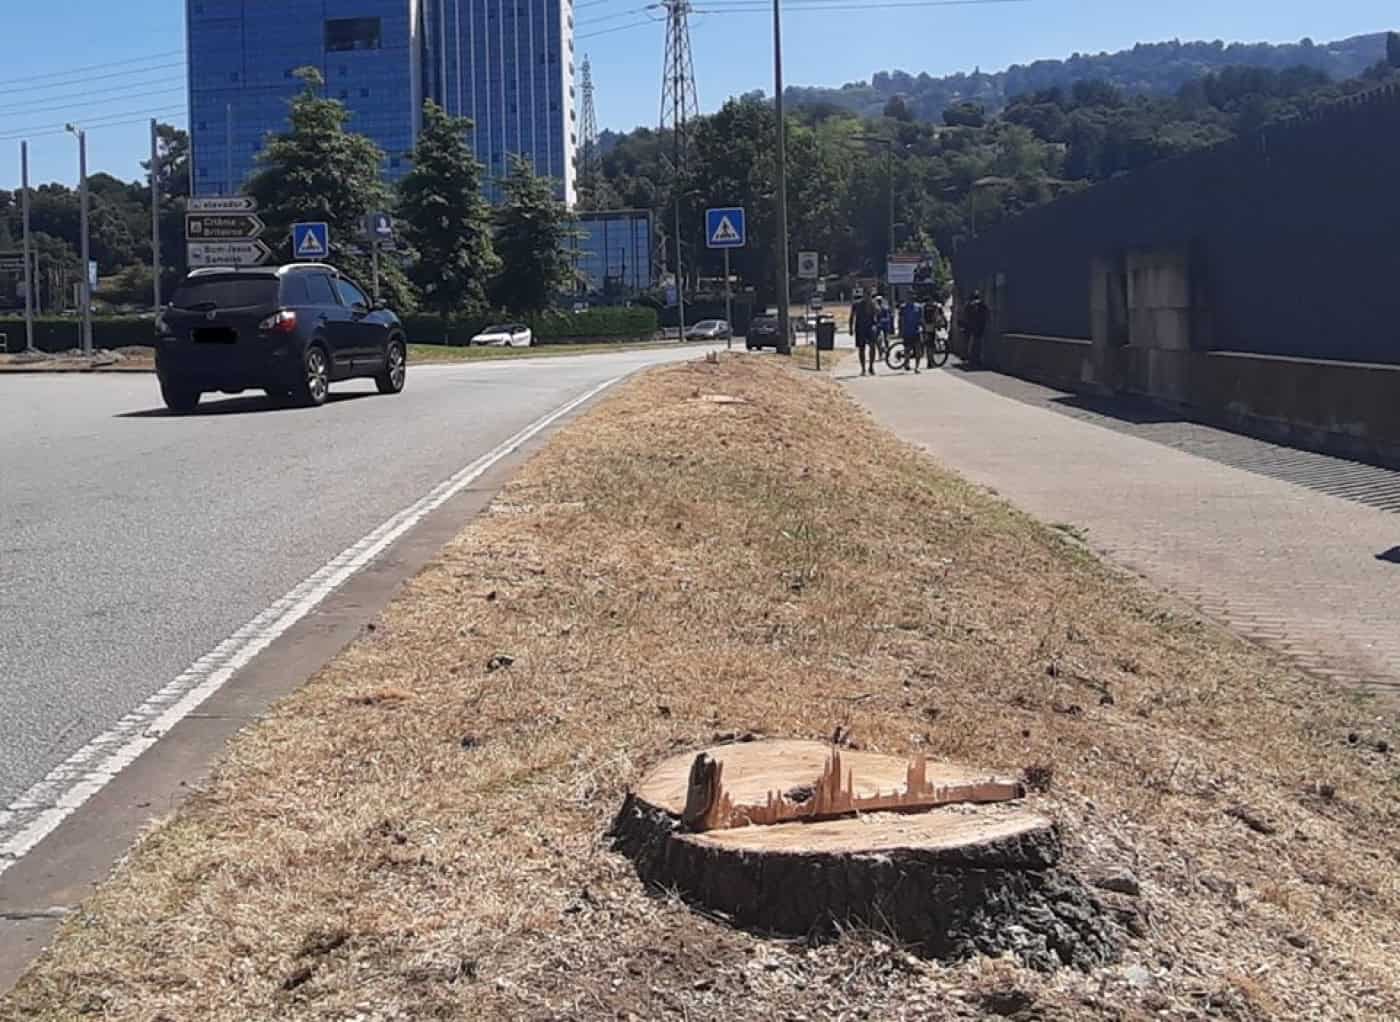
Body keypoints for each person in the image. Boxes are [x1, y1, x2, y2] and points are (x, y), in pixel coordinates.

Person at [849, 292, 879, 376]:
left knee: (872, 346)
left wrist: (873, 305)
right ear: (863, 295)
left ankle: (871, 367)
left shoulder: (873, 303)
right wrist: (850, 328)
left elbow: (878, 312)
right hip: (860, 328)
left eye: (869, 295)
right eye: (866, 295)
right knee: (861, 349)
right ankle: (863, 369)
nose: (867, 297)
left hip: (870, 328)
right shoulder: (857, 304)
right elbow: (852, 316)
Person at [962, 290, 990, 366]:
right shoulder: (982, 304)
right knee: (979, 344)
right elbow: (987, 314)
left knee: (970, 344)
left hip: (970, 327)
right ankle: (977, 359)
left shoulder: (968, 304)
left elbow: (965, 316)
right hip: (980, 327)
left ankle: (970, 358)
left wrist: (965, 325)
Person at [898, 296, 923, 373]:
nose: (910, 299)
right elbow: (901, 319)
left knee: (918, 349)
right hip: (907, 331)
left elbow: (921, 318)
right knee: (907, 349)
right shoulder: (903, 307)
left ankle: (917, 367)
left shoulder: (918, 307)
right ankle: (907, 364)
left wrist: (922, 327)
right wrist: (900, 330)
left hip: (916, 331)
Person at [923, 297, 947, 369]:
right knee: (931, 345)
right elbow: (941, 316)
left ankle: (929, 362)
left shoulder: (925, 306)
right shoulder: (936, 306)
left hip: (926, 327)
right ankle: (931, 362)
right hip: (933, 326)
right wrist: (944, 324)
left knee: (928, 345)